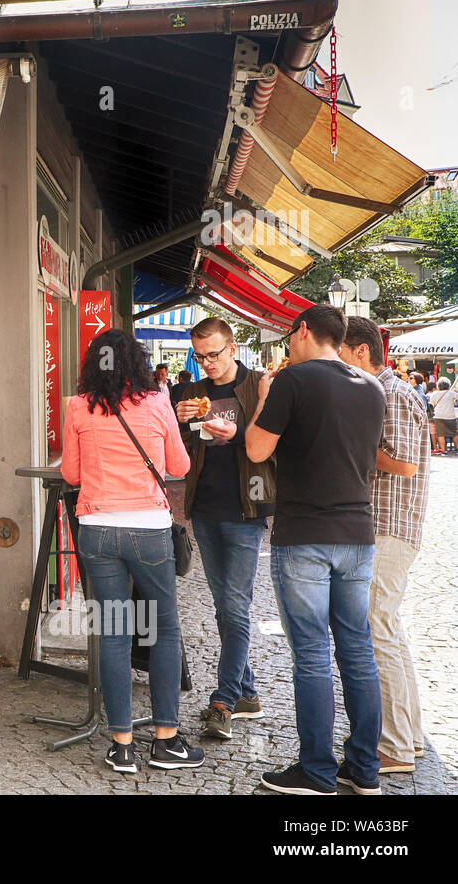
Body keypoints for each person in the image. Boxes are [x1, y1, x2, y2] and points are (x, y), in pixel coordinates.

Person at [245, 305, 385, 795]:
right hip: (358, 534)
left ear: (303, 331)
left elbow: (257, 450)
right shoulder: (373, 388)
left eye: (288, 335)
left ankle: (317, 771)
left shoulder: (293, 381)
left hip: (305, 532)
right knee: (358, 651)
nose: (287, 345)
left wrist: (264, 398)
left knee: (311, 654)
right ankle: (365, 770)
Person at [61, 328, 200, 775]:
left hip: (98, 530)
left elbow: (70, 472)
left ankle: (121, 744)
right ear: (138, 364)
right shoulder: (157, 402)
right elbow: (179, 466)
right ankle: (165, 740)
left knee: (115, 633)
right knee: (163, 629)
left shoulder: (78, 405)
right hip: (148, 530)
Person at [172, 317, 276, 740]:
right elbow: (180, 454)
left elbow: (275, 449)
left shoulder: (258, 388)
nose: (207, 363)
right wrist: (178, 422)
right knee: (224, 607)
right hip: (206, 511)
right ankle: (248, 691)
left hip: (246, 510)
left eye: (213, 354)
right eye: (199, 356)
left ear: (232, 348)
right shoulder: (192, 392)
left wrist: (237, 434)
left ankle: (224, 700)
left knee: (235, 608)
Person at [339, 316, 430, 779]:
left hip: (390, 528)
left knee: (378, 631)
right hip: (387, 527)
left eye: (340, 352)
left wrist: (352, 442)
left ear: (359, 351)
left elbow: (407, 464)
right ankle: (407, 735)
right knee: (388, 628)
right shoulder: (386, 392)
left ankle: (393, 746)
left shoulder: (390, 392)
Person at [429, 378, 456, 454]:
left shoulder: (434, 394)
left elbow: (432, 404)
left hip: (438, 416)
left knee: (441, 434)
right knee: (455, 433)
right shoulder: (451, 393)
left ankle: (443, 450)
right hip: (450, 416)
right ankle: (457, 448)